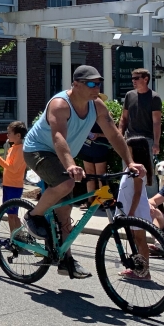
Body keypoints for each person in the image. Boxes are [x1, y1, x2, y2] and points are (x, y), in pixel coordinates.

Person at [23, 65, 145, 279]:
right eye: (90, 83)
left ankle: (65, 260)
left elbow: (114, 135)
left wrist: (130, 163)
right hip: (38, 150)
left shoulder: (96, 105)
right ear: (75, 84)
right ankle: (34, 215)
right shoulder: (60, 105)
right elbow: (58, 137)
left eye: (98, 83)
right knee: (66, 184)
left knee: (65, 213)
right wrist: (70, 165)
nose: (95, 87)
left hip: (63, 154)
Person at [117, 136, 155, 280]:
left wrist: (132, 212)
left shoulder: (139, 170)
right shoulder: (130, 167)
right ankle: (135, 267)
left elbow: (138, 193)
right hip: (128, 208)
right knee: (133, 239)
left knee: (140, 239)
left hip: (136, 209)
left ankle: (144, 271)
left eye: (129, 149)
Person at [0, 120, 27, 233]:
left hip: (14, 186)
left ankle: (14, 239)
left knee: (12, 215)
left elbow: (13, 168)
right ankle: (18, 237)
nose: (7, 135)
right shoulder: (13, 148)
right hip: (8, 185)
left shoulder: (20, 150)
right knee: (11, 214)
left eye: (9, 133)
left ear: (18, 135)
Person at [120, 68, 162, 157]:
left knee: (146, 169)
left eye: (136, 78)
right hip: (129, 138)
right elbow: (124, 118)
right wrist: (120, 136)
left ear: (146, 79)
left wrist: (156, 143)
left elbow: (156, 122)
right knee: (128, 169)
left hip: (146, 140)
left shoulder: (154, 98)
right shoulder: (129, 95)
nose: (133, 81)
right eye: (132, 78)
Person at [80, 116, 113, 195]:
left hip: (100, 148)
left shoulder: (104, 114)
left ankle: (104, 200)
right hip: (86, 147)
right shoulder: (84, 114)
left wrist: (98, 135)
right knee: (89, 174)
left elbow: (112, 132)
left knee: (101, 175)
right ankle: (90, 201)